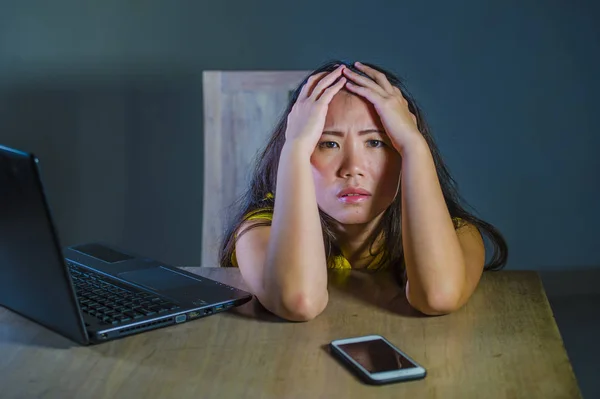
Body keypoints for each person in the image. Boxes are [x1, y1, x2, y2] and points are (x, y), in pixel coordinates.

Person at [219, 60, 508, 321]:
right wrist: (294, 147)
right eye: (328, 144)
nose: (352, 168)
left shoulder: (458, 234)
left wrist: (414, 144)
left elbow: (438, 296)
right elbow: (299, 301)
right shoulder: (259, 231)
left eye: (376, 143)